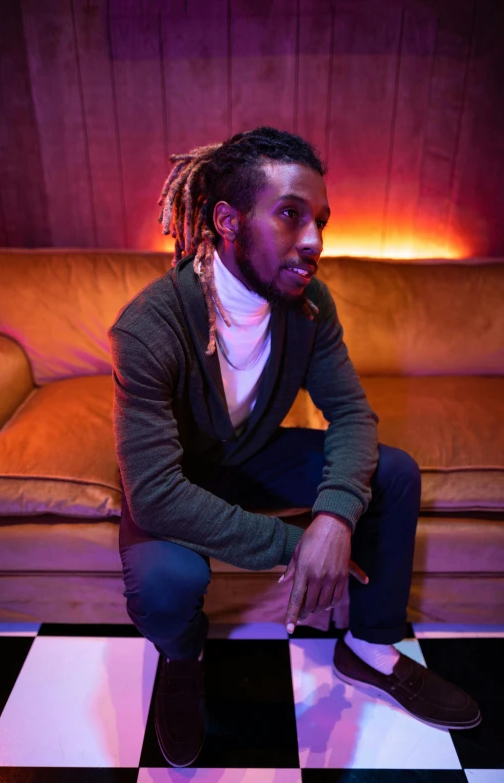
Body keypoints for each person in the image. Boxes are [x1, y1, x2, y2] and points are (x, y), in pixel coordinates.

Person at [108, 126, 481, 768]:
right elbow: (156, 493)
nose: (313, 241)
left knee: (392, 472)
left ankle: (369, 649)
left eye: (320, 221)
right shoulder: (148, 328)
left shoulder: (309, 306)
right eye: (289, 215)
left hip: (251, 458)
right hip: (175, 478)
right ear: (227, 220)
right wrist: (299, 546)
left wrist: (335, 516)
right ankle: (182, 654)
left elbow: (352, 416)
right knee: (168, 577)